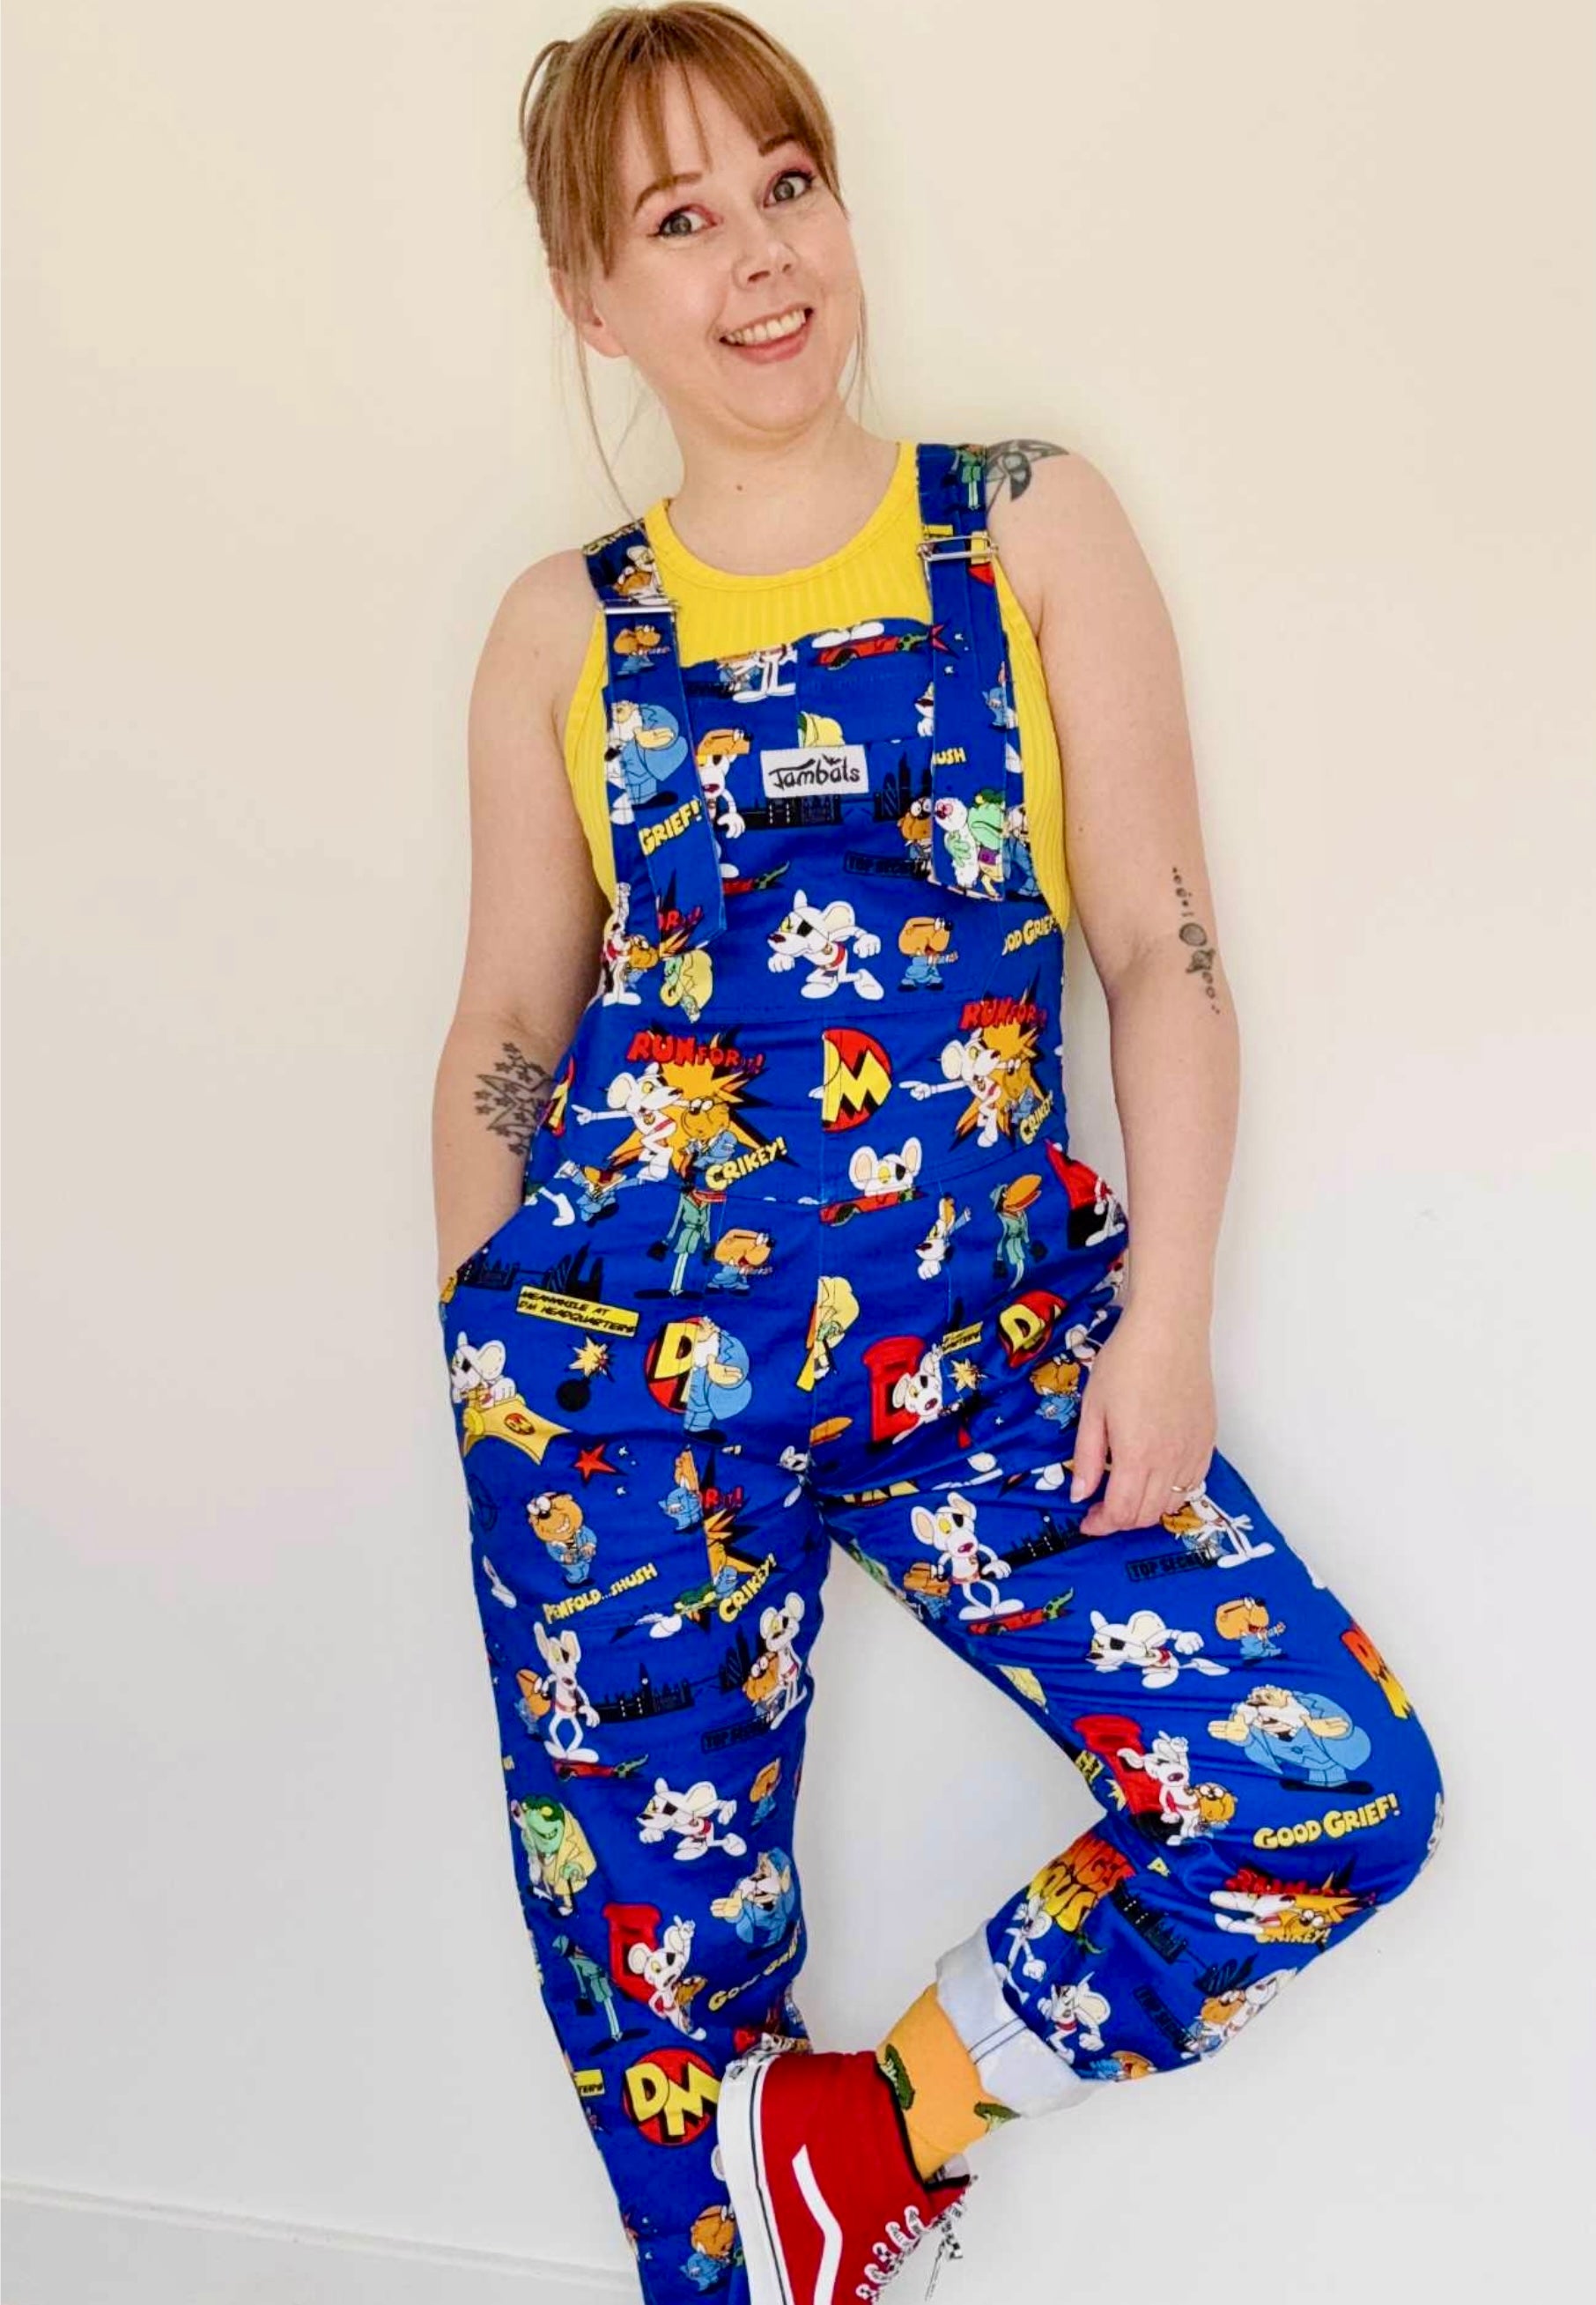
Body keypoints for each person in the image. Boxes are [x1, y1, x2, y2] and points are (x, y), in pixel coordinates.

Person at [430, 9, 1447, 2303]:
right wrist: (490, 1340)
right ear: (593, 300)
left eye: (786, 183)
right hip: (618, 1377)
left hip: (985, 1338)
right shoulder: (554, 635)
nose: (757, 257)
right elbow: (509, 1017)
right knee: (659, 2010)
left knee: (1313, 1790)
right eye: (676, 221)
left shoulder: (1019, 526)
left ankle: (873, 2121)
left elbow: (1156, 950)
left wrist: (1160, 1314)